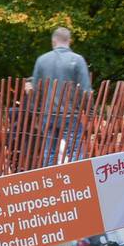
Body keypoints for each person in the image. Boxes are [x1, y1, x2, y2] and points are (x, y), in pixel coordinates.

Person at [28, 27, 92, 164]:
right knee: (74, 151)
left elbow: (35, 90)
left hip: (48, 114)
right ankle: (77, 181)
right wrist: (90, 112)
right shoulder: (78, 60)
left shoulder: (42, 60)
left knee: (49, 152)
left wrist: (37, 112)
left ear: (53, 41)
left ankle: (51, 182)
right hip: (71, 114)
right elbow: (86, 90)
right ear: (70, 41)